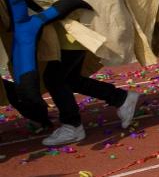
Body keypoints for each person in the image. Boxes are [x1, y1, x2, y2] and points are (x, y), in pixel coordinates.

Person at [2, 47, 141, 147]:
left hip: (72, 33)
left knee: (54, 78)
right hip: (70, 33)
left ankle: (72, 125)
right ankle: (121, 98)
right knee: (69, 78)